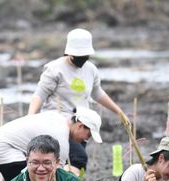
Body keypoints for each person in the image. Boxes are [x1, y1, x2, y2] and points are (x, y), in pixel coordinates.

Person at [28, 28, 126, 170]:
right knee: (77, 159)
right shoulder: (55, 69)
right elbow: (39, 95)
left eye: (85, 55)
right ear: (69, 52)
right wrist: (30, 117)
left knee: (72, 164)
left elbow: (97, 93)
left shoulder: (91, 69)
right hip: (58, 125)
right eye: (77, 55)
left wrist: (119, 112)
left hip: (82, 125)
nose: (81, 59)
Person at [0, 107, 102, 181]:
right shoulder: (61, 138)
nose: (87, 139)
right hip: (3, 150)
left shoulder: (58, 118)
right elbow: (56, 176)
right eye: (89, 135)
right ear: (80, 126)